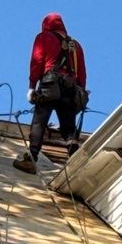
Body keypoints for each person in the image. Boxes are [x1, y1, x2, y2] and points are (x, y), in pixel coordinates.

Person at [13, 12, 87, 174]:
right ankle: (77, 161)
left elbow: (37, 61)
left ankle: (31, 158)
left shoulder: (44, 37)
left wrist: (32, 86)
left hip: (50, 85)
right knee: (69, 129)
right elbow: (81, 73)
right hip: (70, 89)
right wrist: (80, 94)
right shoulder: (76, 45)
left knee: (39, 121)